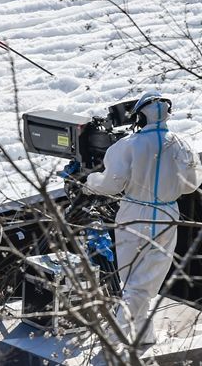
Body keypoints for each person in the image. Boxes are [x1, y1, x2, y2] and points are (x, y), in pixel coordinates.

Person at [83, 91, 202, 345]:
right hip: (166, 214)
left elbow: (111, 183)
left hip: (133, 212)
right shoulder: (181, 144)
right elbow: (191, 184)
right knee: (145, 279)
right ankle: (128, 335)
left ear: (139, 117)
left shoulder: (128, 144)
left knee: (133, 278)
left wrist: (89, 183)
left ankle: (126, 335)